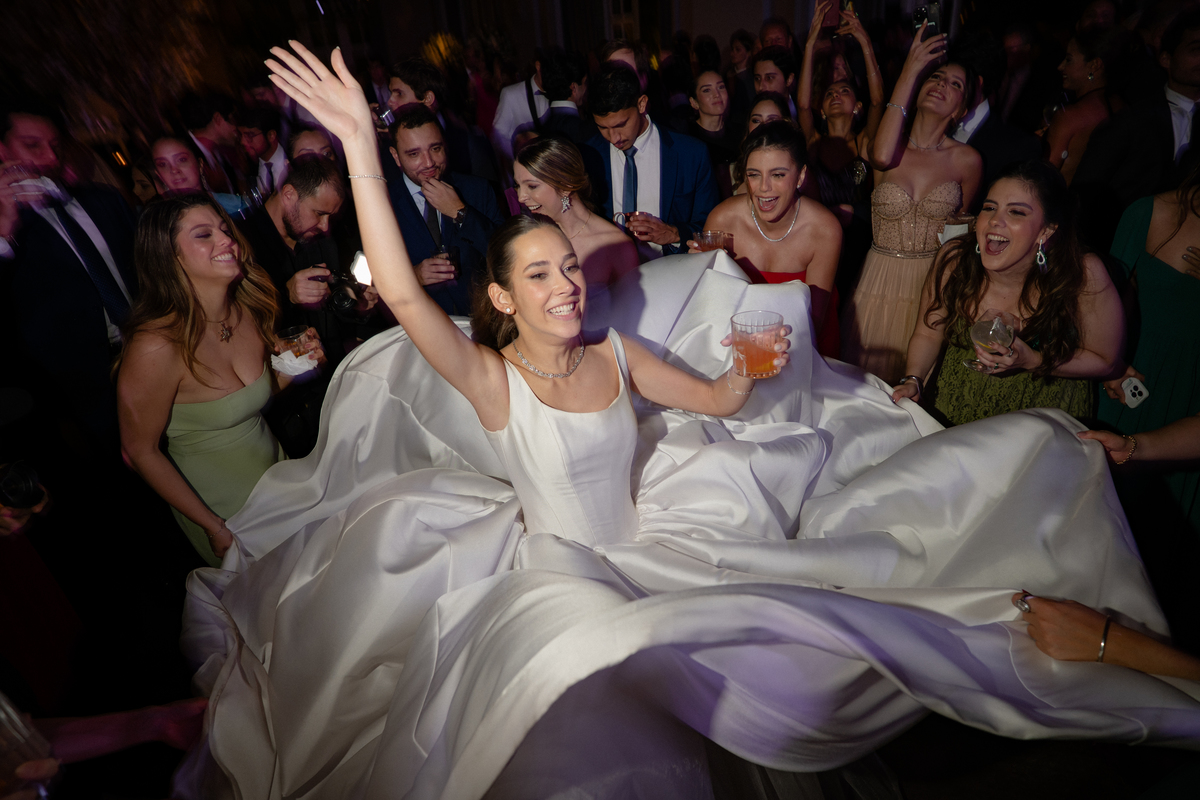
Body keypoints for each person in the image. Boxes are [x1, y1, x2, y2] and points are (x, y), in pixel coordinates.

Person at [177, 43, 1200, 798]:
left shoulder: (619, 354)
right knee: (581, 694)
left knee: (826, 629)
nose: (566, 285)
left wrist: (751, 365)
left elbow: (717, 400)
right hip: (555, 574)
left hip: (654, 545)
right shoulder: (492, 380)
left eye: (568, 268)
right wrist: (360, 146)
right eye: (539, 277)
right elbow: (402, 295)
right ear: (501, 299)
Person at [116, 194, 317, 566]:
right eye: (204, 234)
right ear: (170, 256)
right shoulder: (156, 346)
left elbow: (252, 398)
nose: (227, 240)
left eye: (225, 230)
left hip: (281, 481)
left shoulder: (246, 310)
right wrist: (212, 526)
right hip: (225, 512)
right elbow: (139, 452)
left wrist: (295, 365)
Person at [893, 160, 1123, 426]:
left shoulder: (1082, 272)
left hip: (1038, 421)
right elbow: (928, 332)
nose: (994, 220)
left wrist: (1034, 360)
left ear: (1046, 230)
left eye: (1016, 212)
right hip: (954, 406)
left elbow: (1105, 361)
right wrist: (914, 379)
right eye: (989, 208)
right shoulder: (955, 259)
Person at [1094, 162, 1200, 654]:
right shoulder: (1150, 213)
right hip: (1134, 395)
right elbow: (1101, 305)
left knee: (1169, 558)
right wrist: (1111, 366)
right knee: (1106, 539)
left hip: (1192, 416)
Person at [840, 26, 983, 386]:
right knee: (864, 390)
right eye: (935, 77)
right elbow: (880, 156)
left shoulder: (967, 161)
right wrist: (910, 69)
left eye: (955, 84)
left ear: (962, 110)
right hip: (878, 283)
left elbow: (959, 234)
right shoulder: (886, 147)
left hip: (932, 287)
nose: (941, 85)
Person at [0, 98, 138, 446]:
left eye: (55, 145)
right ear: (2, 150)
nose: (50, 157)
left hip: (149, 346)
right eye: (32, 145)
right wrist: (4, 234)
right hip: (81, 386)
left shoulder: (104, 199)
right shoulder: (6, 229)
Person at [690, 121, 841, 358]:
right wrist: (698, 270)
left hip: (802, 347)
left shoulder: (823, 230)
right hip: (733, 345)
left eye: (777, 175)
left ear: (800, 176)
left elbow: (814, 323)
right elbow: (708, 306)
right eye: (754, 175)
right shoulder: (723, 220)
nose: (763, 188)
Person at [1073, 7, 1200, 253]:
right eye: (1195, 50)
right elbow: (1086, 191)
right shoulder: (1132, 120)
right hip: (1121, 248)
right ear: (1166, 59)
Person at [584, 62, 719, 259]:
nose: (614, 138)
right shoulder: (589, 155)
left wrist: (674, 234)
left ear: (641, 104)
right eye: (603, 128)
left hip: (674, 269)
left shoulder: (691, 154)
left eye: (621, 125)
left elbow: (711, 227)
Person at [385, 104, 504, 316]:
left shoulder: (477, 190)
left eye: (435, 149)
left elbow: (506, 254)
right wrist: (413, 277)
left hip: (481, 318)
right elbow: (372, 277)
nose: (429, 163)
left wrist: (461, 213)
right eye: (414, 154)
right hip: (420, 324)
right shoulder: (384, 203)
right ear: (395, 156)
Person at [797, 2, 884, 224]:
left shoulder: (864, 141)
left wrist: (865, 41)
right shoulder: (814, 141)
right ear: (822, 111)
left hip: (857, 232)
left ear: (858, 106)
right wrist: (810, 44)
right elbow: (803, 106)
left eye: (844, 91)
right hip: (819, 230)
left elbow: (878, 101)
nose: (836, 94)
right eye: (829, 93)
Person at [513, 136, 638, 288]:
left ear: (566, 186)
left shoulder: (615, 245)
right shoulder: (532, 239)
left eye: (532, 186)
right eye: (517, 185)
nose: (521, 197)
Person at [1044, 26, 1129, 184]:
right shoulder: (1122, 107)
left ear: (1094, 65)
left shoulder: (1069, 116)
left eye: (1069, 60)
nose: (1060, 67)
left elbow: (1043, 177)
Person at [149, 136, 249, 217]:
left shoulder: (237, 206)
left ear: (200, 164)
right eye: (163, 164)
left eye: (181, 160)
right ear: (159, 175)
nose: (174, 170)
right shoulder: (161, 222)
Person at [685, 69, 738, 199]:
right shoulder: (688, 139)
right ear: (694, 102)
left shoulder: (740, 133)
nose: (716, 95)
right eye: (707, 90)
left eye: (721, 87)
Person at [179, 92, 243, 195]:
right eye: (233, 119)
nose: (238, 128)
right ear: (218, 118)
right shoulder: (186, 155)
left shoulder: (220, 152)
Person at [538, 48, 597, 145]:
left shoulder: (541, 131)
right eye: (585, 83)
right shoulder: (586, 131)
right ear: (574, 88)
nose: (586, 88)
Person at [237, 106, 289, 197]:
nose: (243, 142)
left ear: (271, 135)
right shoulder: (250, 167)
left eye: (249, 135)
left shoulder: (292, 161)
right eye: (241, 135)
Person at [752, 46, 798, 117]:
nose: (761, 87)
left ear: (789, 79)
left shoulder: (802, 110)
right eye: (757, 79)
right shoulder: (748, 115)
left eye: (769, 78)